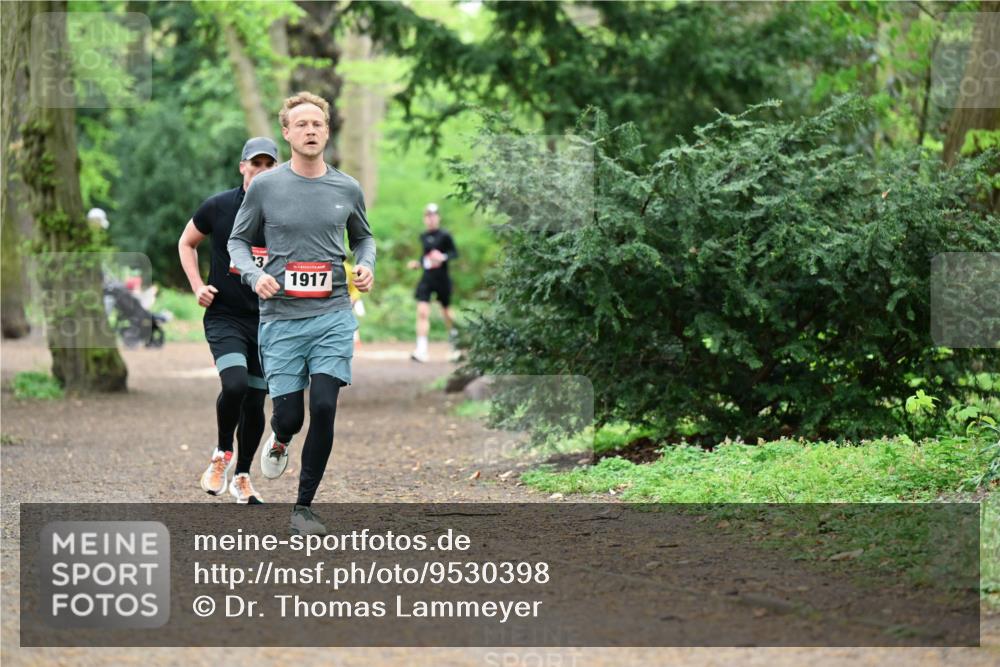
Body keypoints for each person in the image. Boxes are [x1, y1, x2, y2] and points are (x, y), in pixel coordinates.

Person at [228, 91, 375, 536]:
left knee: (326, 407)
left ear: (326, 132)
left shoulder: (346, 187)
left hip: (332, 313)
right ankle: (281, 437)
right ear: (287, 133)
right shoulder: (267, 187)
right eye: (302, 124)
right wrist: (255, 276)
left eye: (318, 123)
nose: (310, 130)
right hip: (282, 319)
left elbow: (364, 238)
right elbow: (238, 241)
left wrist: (365, 265)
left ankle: (303, 506)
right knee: (290, 416)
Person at [178, 137, 278, 504]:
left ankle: (243, 476)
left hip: (269, 322)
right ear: (243, 167)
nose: (262, 171)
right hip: (225, 317)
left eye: (270, 166)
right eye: (256, 164)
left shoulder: (287, 214)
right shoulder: (219, 207)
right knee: (234, 385)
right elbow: (186, 242)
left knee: (255, 402)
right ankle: (222, 454)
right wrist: (197, 286)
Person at [408, 202, 459, 363]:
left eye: (433, 215)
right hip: (427, 278)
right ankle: (421, 350)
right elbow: (425, 257)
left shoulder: (445, 235)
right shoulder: (423, 236)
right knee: (422, 311)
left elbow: (454, 254)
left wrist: (442, 257)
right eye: (428, 216)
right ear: (425, 218)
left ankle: (456, 345)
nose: (430, 219)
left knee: (447, 312)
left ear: (438, 217)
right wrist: (418, 263)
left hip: (442, 279)